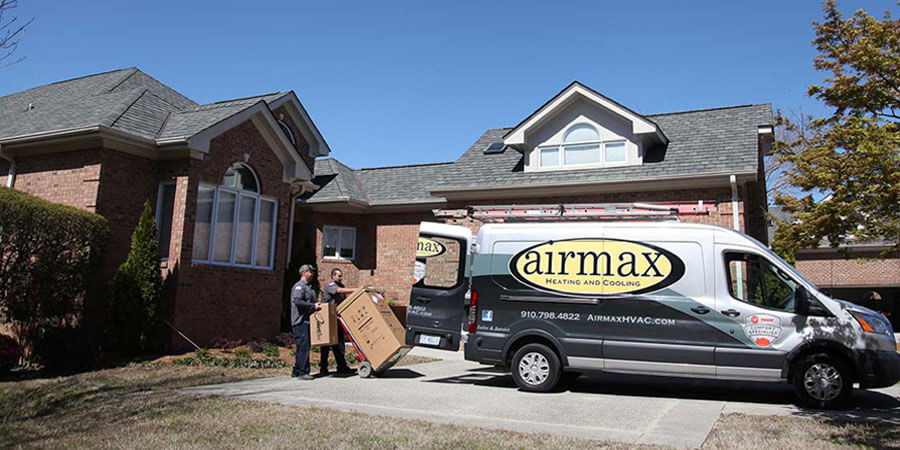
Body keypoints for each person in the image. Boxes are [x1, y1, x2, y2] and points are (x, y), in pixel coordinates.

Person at [319, 268, 356, 375]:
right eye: (339, 276)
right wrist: (356, 289)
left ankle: (342, 366)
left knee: (339, 343)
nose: (341, 278)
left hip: (338, 318)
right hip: (328, 318)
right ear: (333, 276)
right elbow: (339, 291)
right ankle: (323, 367)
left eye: (341, 276)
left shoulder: (342, 286)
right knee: (326, 344)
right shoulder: (330, 285)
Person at [291, 264, 321, 380]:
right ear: (303, 273)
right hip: (300, 321)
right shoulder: (299, 287)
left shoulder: (309, 287)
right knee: (303, 346)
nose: (312, 274)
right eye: (310, 272)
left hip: (307, 320)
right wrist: (313, 306)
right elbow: (298, 301)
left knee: (302, 346)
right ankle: (303, 372)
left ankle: (297, 371)